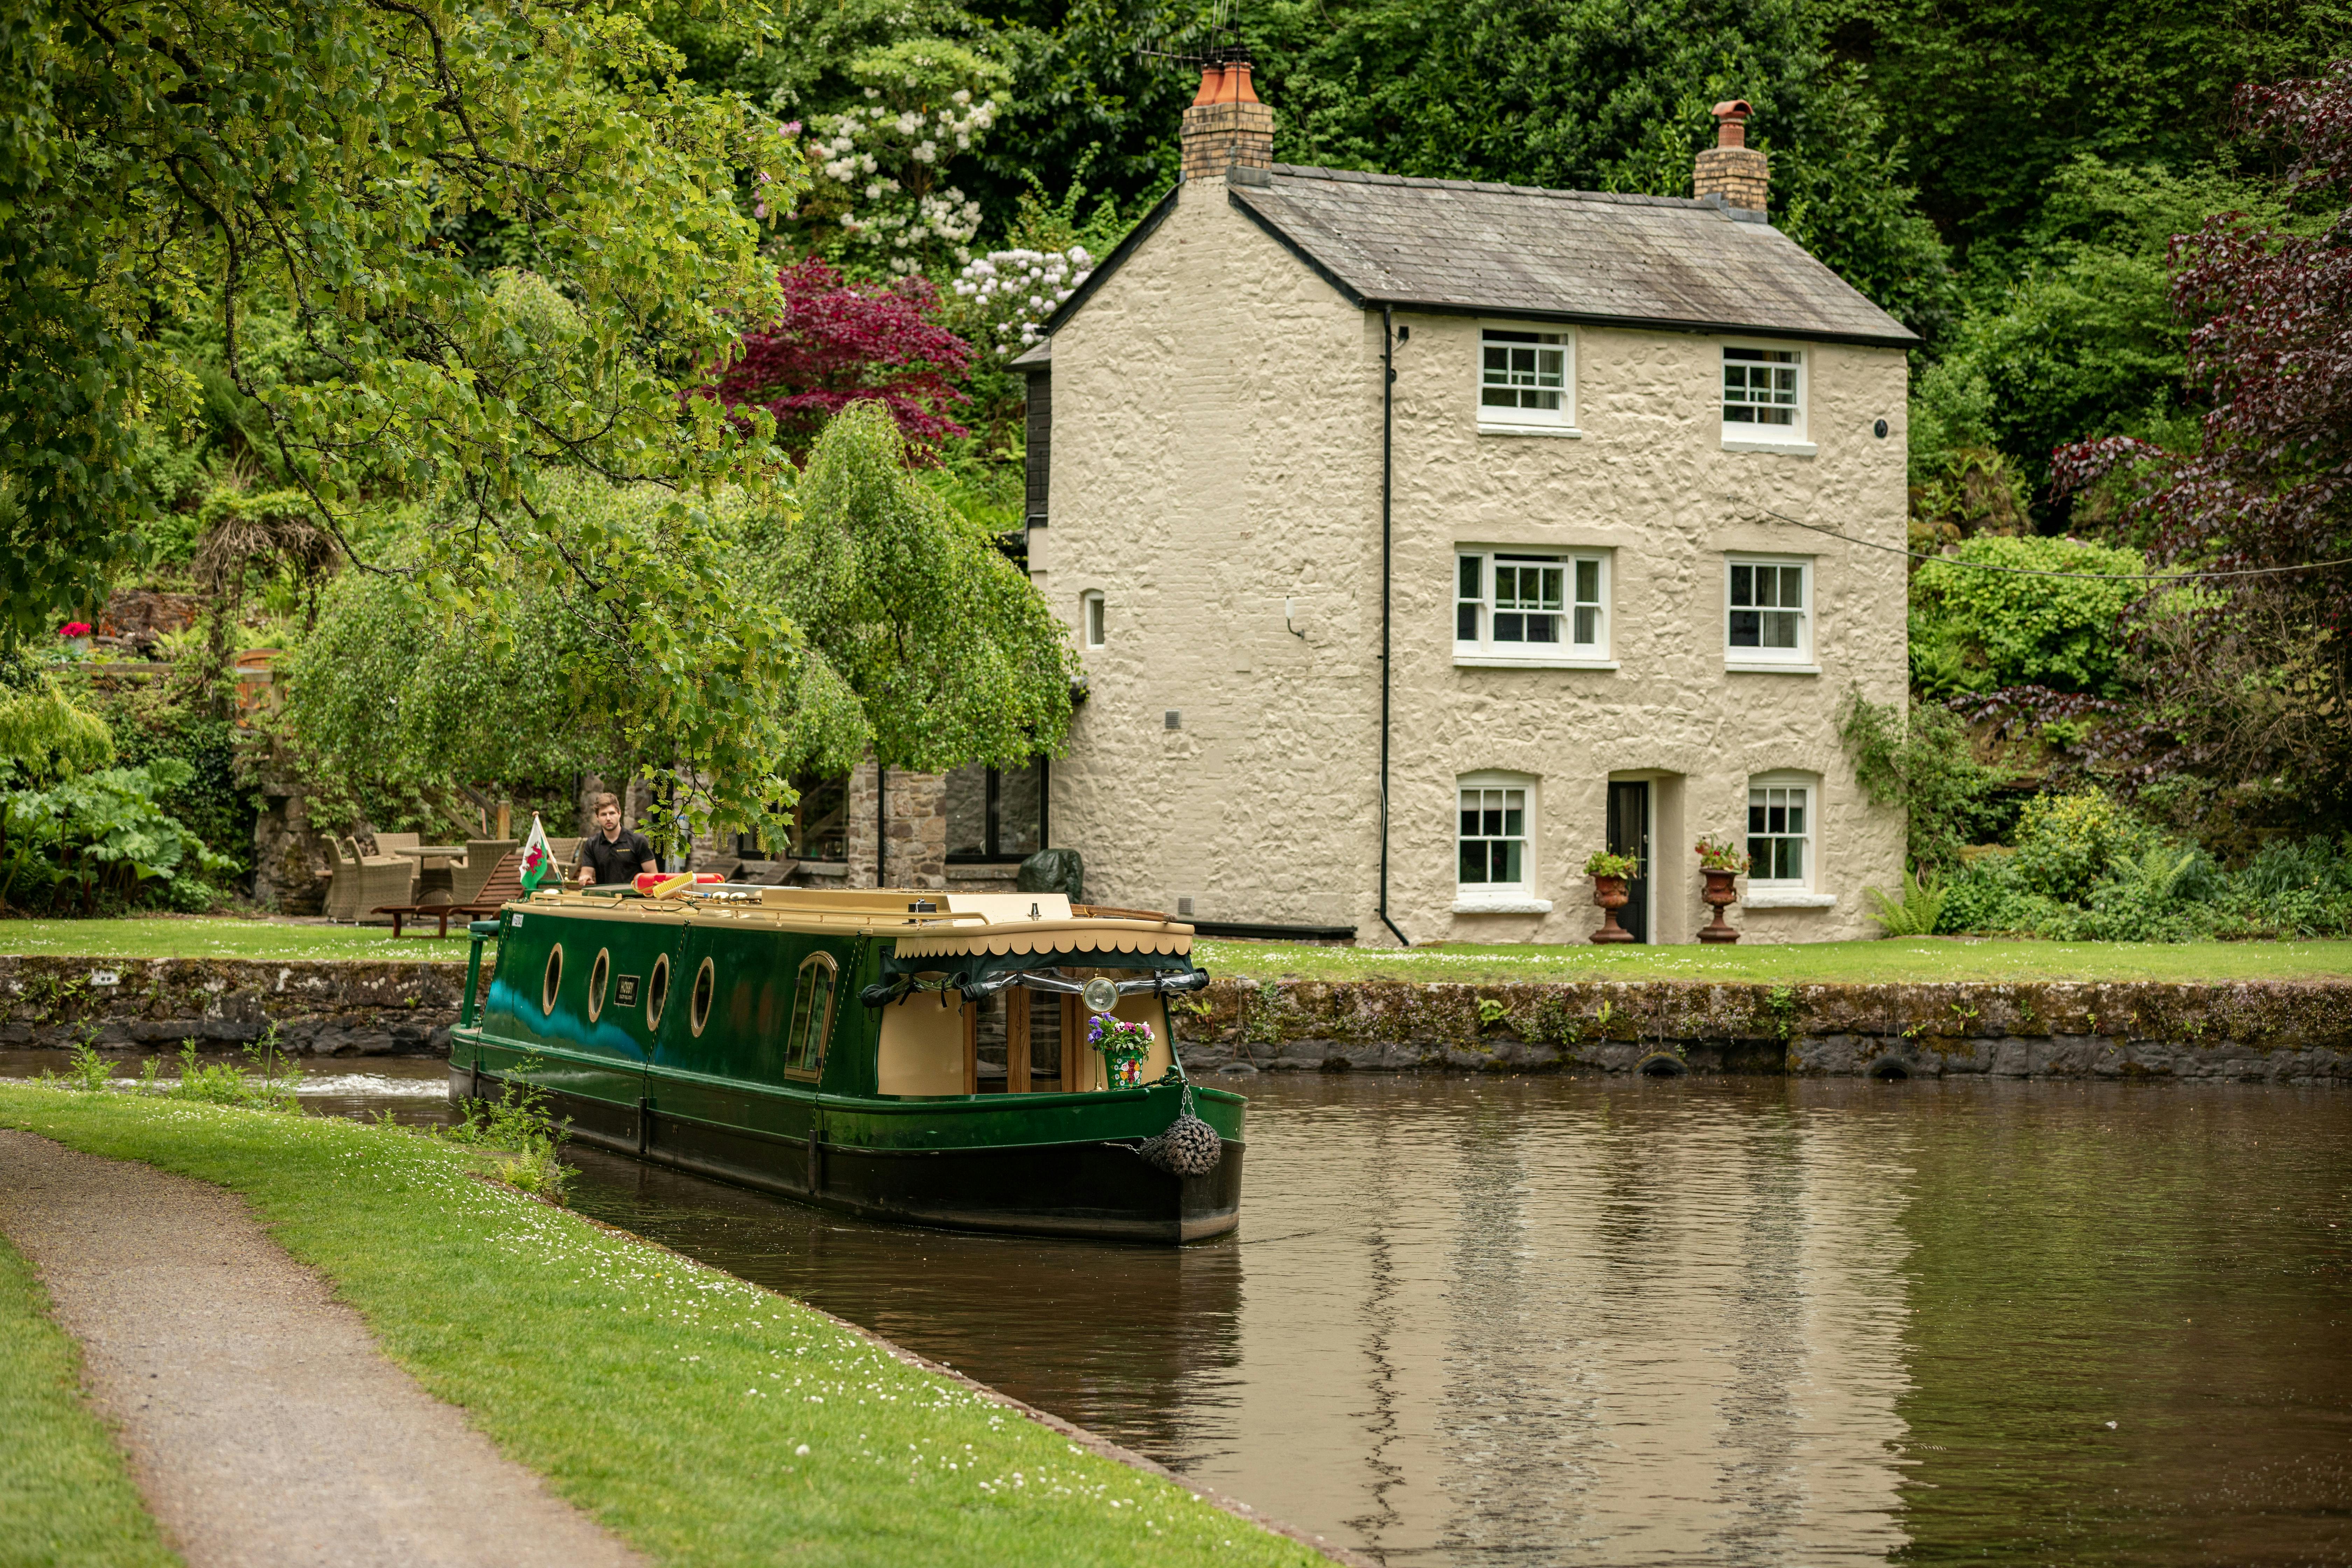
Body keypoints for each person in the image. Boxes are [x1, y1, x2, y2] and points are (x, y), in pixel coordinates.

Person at [575, 793, 659, 887]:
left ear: (619, 814)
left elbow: (653, 876)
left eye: (612, 813)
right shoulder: (592, 844)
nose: (608, 818)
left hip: (634, 898)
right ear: (597, 817)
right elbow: (586, 874)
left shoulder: (638, 840)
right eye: (603, 815)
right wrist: (585, 879)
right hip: (606, 898)